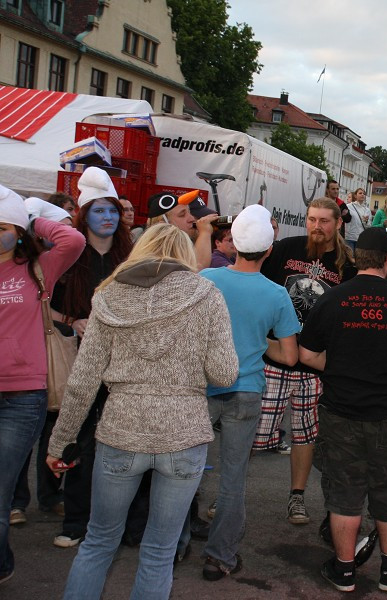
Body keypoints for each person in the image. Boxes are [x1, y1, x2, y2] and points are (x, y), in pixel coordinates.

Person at [46, 223, 239, 600]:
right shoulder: (206, 294)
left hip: (121, 430)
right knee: (159, 551)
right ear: (184, 254)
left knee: (99, 541)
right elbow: (225, 372)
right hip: (184, 434)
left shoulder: (109, 296)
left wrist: (61, 442)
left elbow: (83, 381)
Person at [298, 227, 387, 593]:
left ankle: (344, 570)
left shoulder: (332, 298)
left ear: (359, 259)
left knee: (344, 490)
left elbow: (307, 354)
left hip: (340, 410)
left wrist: (343, 364)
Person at [198, 205, 300, 581]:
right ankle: (219, 557)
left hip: (203, 387)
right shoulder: (276, 294)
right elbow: (289, 355)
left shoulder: (206, 279)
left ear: (233, 243)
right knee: (233, 477)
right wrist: (258, 343)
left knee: (184, 470)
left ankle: (171, 546)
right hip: (246, 390)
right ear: (269, 250)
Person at [0, 185, 85, 586]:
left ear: (18, 231)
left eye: (4, 227)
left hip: (23, 395)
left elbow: (73, 238)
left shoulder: (38, 269)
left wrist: (31, 216)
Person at [257, 198, 357, 526]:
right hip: (275, 359)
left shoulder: (347, 264)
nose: (317, 226)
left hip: (313, 366)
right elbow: (260, 287)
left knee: (305, 434)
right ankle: (228, 494)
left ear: (337, 224)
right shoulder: (285, 249)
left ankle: (296, 497)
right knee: (251, 430)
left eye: (324, 221)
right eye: (312, 219)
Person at [49, 168, 133, 549]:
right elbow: (44, 304)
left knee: (121, 442)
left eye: (113, 211)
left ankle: (120, 521)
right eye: (99, 211)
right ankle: (76, 520)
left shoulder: (130, 256)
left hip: (125, 363)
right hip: (80, 361)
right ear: (84, 216)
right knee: (80, 440)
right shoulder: (68, 255)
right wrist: (72, 319)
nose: (108, 218)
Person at [145, 190, 218, 269]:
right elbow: (196, 268)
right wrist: (205, 233)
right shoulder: (159, 253)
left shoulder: (182, 246)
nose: (192, 218)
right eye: (182, 215)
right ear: (163, 224)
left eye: (189, 212)